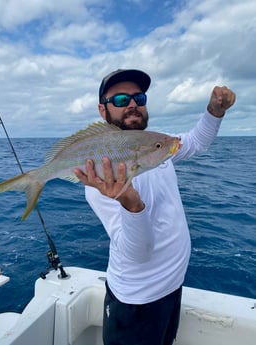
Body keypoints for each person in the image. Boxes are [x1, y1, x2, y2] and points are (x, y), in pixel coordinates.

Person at [74, 69, 236, 345]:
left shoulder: (156, 145)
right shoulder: (100, 177)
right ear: (103, 110)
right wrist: (131, 205)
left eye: (139, 96)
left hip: (172, 287)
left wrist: (214, 111)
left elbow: (196, 142)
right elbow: (138, 252)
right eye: (121, 99)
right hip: (138, 302)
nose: (132, 104)